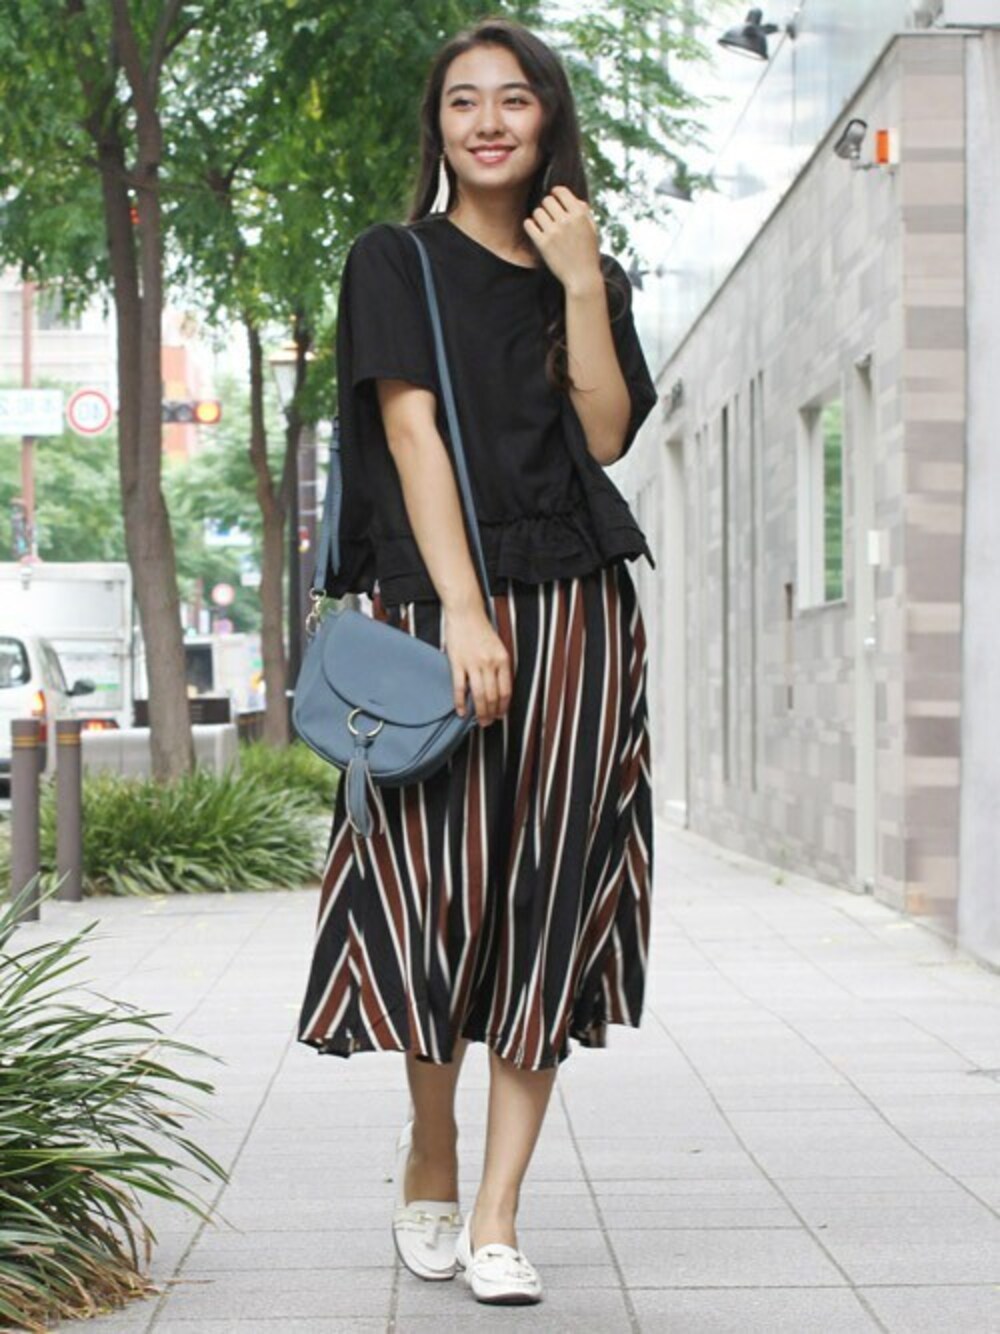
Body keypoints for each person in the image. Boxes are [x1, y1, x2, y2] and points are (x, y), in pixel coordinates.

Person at [297, 14, 657, 1307]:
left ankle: (499, 1210)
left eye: (514, 97)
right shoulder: (392, 259)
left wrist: (580, 282)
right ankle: (433, 1147)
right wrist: (460, 608)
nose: (488, 120)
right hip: (434, 614)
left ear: (549, 118)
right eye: (463, 100)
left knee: (547, 899)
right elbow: (411, 434)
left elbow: (604, 436)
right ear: (438, 125)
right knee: (431, 896)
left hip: (579, 616)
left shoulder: (585, 271)